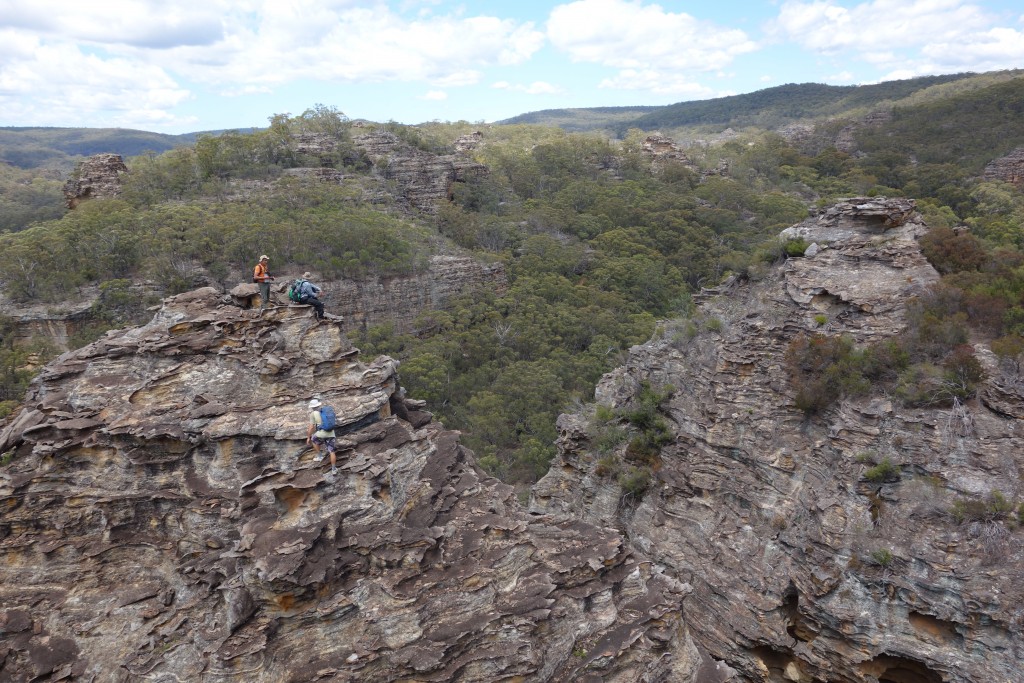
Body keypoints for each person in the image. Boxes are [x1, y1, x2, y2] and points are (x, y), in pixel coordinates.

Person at [306, 398, 337, 475]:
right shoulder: (326, 411)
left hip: (321, 433)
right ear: (319, 405)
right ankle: (334, 469)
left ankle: (320, 456)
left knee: (314, 440)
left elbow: (311, 427)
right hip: (331, 433)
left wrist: (308, 437)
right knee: (331, 451)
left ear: (312, 407)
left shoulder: (313, 414)